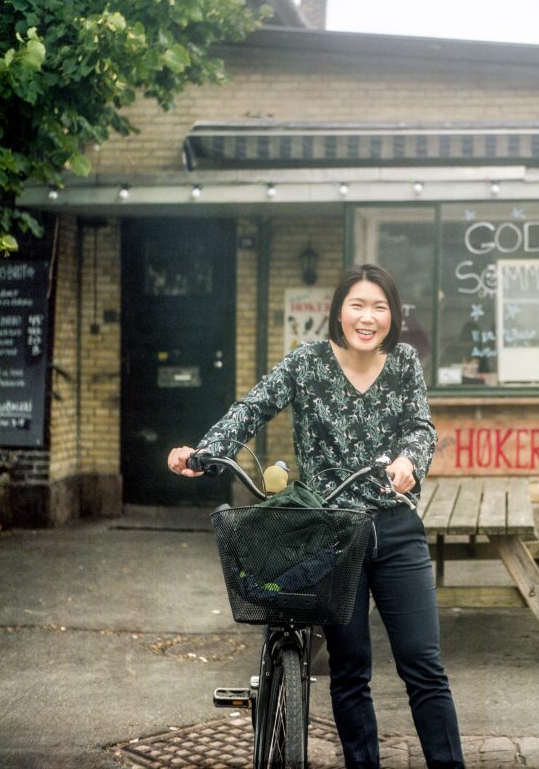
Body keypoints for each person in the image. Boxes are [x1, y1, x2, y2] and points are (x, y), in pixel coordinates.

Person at [167, 263, 465, 769]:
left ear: (392, 316)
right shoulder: (306, 364)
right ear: (339, 312)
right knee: (350, 670)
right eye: (358, 305)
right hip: (330, 533)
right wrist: (206, 450)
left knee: (423, 666)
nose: (368, 317)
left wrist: (410, 460)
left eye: (380, 307)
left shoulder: (404, 363)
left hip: (395, 529)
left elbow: (421, 426)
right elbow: (253, 407)